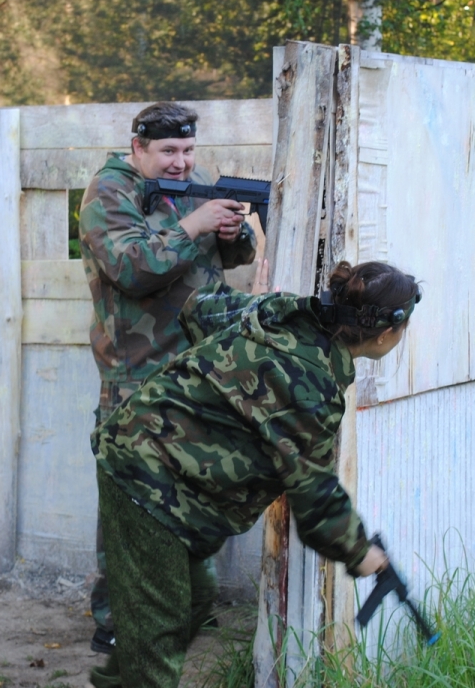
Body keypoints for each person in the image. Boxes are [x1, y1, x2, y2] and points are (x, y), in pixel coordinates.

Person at [88, 260, 421, 688]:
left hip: (158, 469)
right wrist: (363, 555)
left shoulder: (284, 312)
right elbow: (316, 501)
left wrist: (228, 375)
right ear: (385, 334)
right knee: (159, 640)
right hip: (146, 476)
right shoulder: (313, 387)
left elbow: (198, 310)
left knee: (192, 604)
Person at [78, 101, 261, 654]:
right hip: (139, 377)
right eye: (168, 152)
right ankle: (117, 622)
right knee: (135, 505)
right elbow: (132, 268)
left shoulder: (196, 182)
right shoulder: (108, 194)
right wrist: (195, 224)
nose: (181, 163)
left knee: (192, 498)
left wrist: (232, 233)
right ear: (138, 148)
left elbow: (229, 258)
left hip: (200, 371)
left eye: (187, 150)